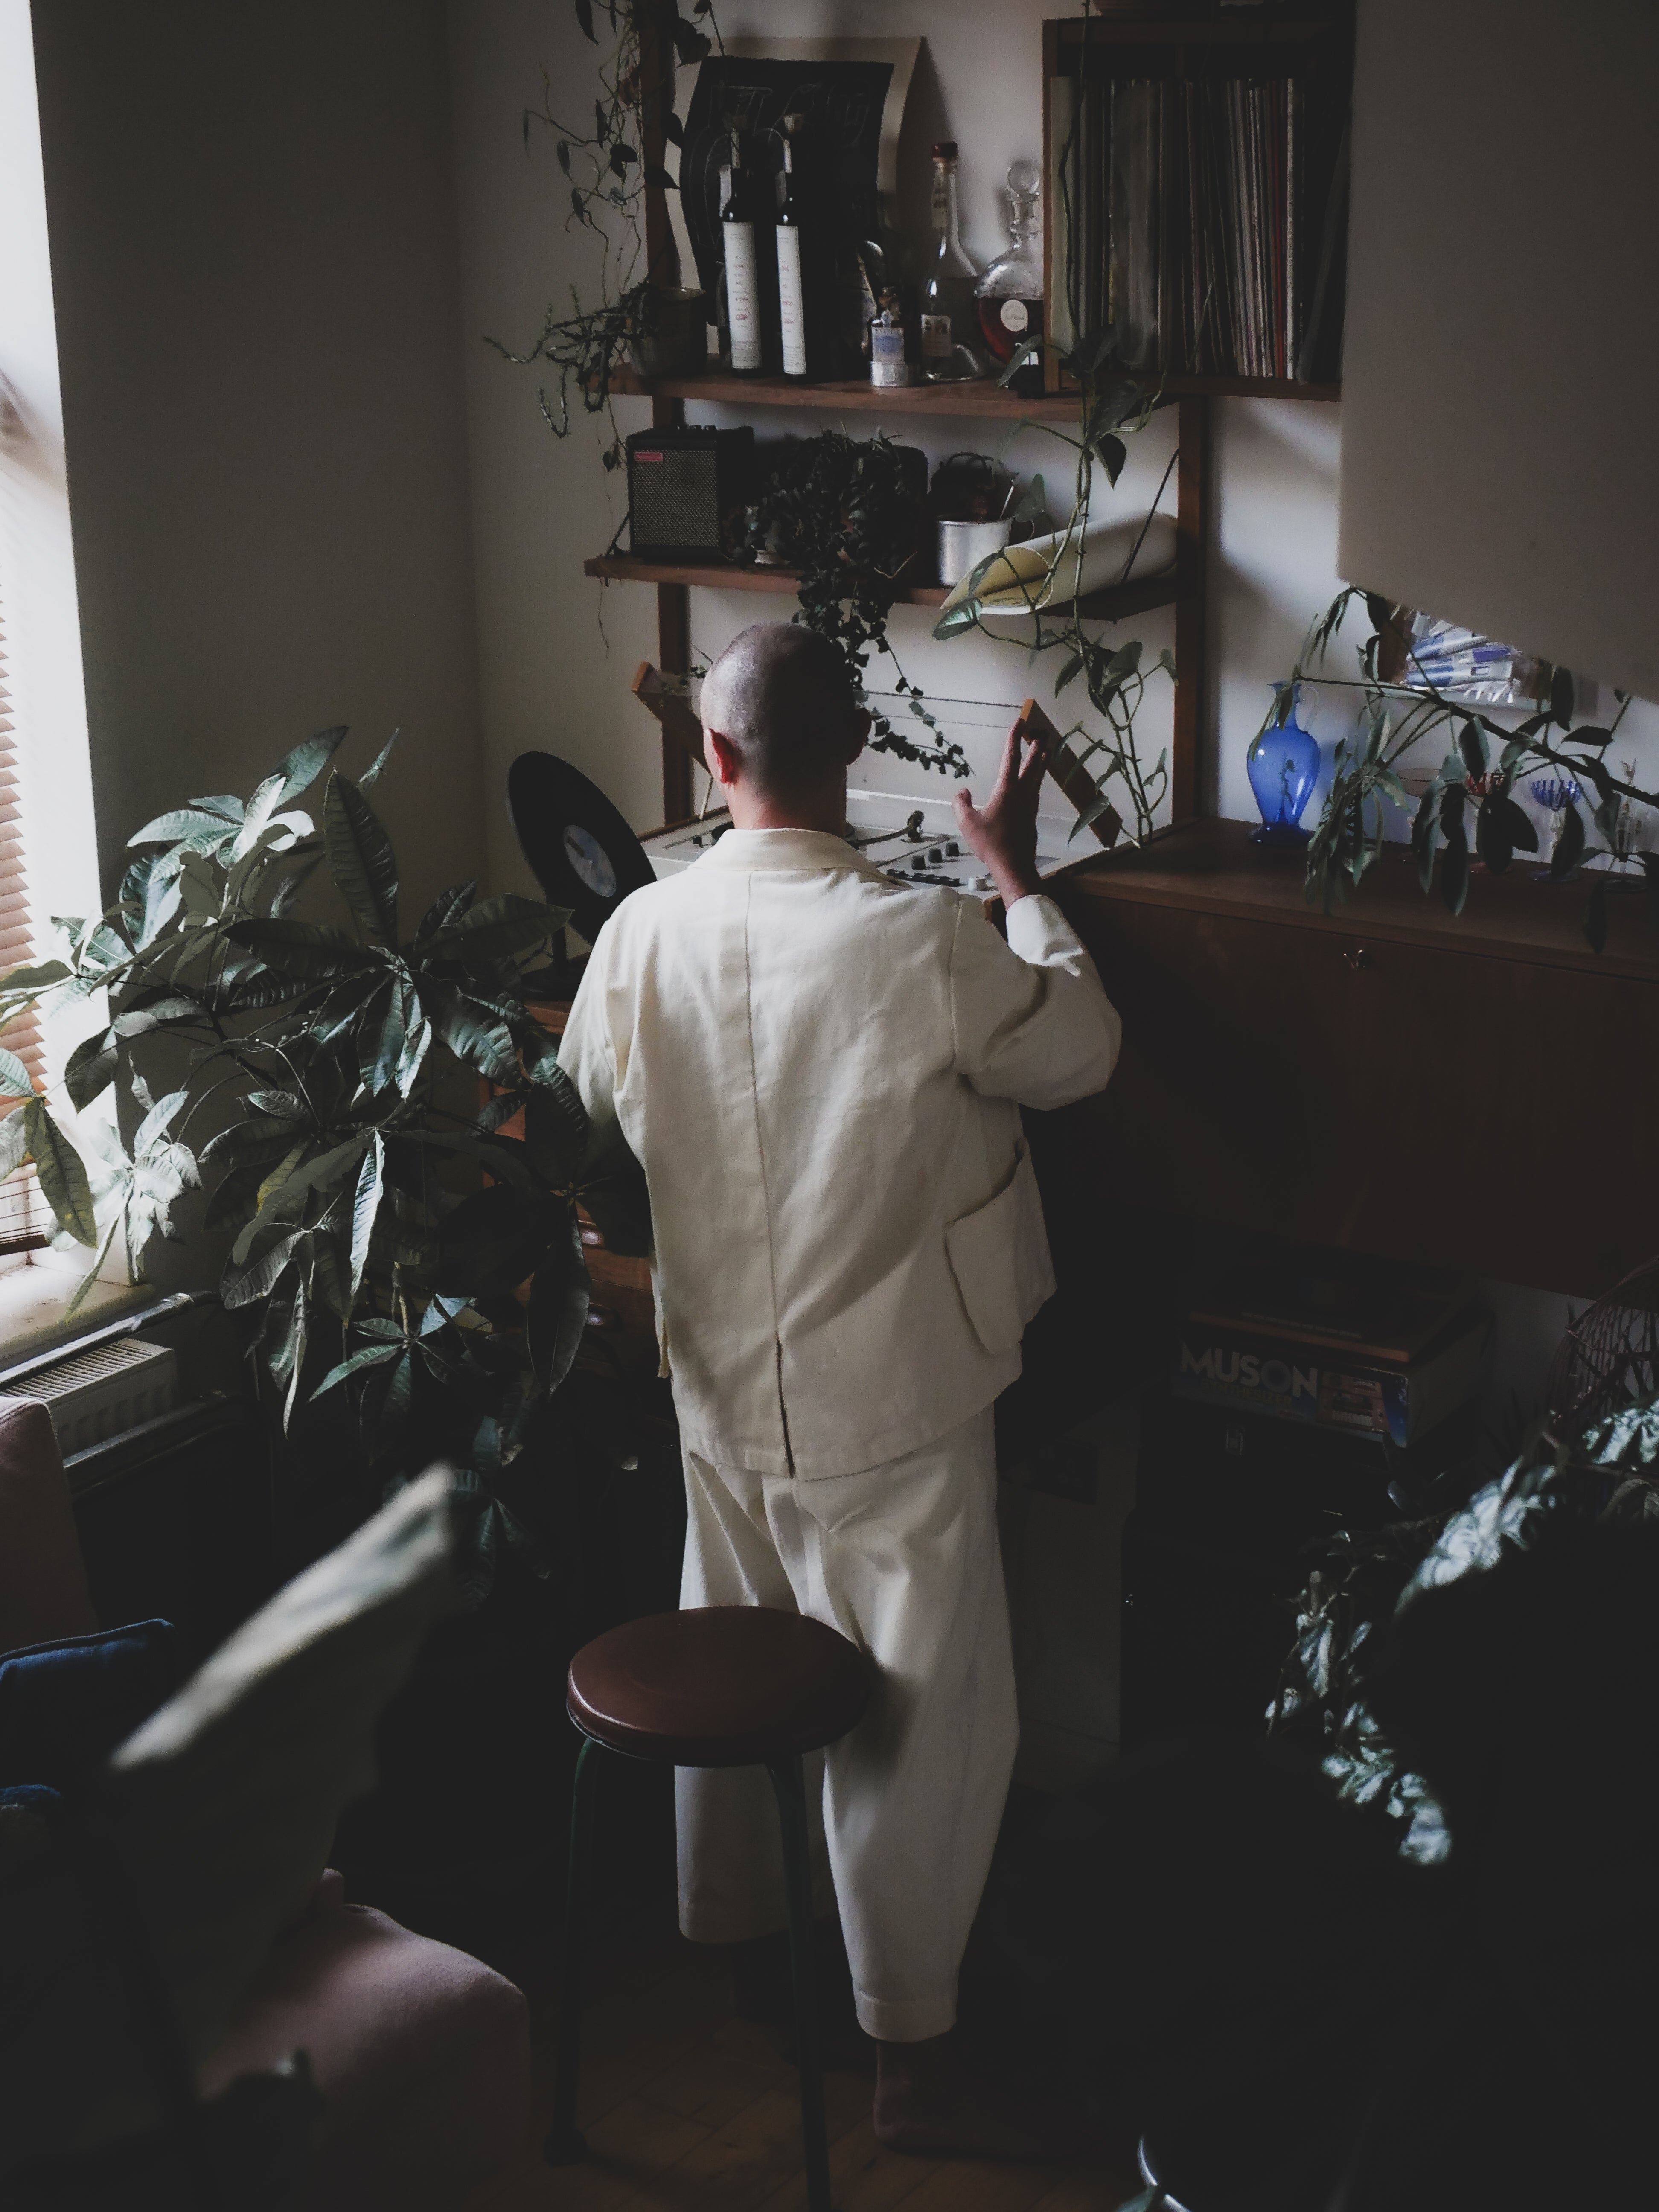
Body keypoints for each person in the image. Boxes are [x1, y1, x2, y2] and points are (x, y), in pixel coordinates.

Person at [557, 622, 1121, 2158]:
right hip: (900, 1396)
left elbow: (595, 1109)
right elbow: (1081, 1050)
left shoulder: (636, 940)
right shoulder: (920, 943)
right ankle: (909, 2056)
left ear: (714, 760)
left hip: (719, 1389)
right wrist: (1014, 876)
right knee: (925, 1718)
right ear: (854, 755)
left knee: (734, 1635)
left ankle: (736, 1947)